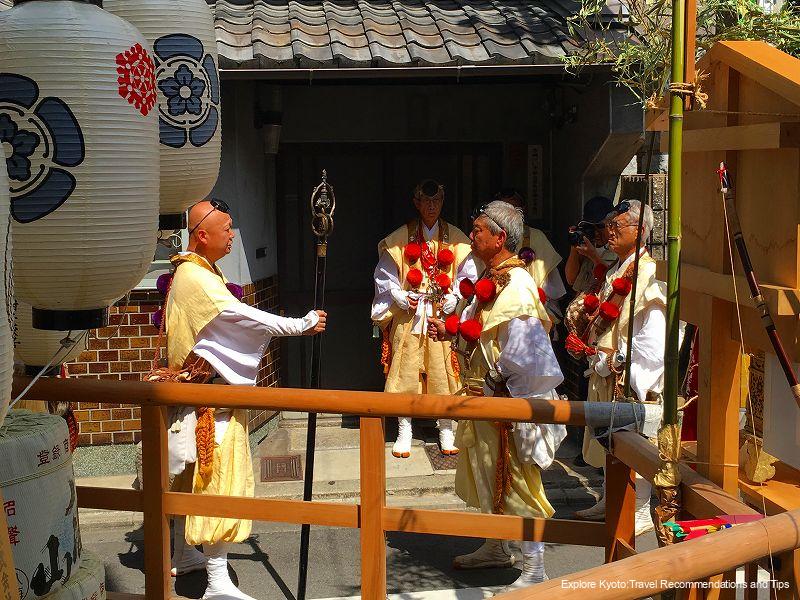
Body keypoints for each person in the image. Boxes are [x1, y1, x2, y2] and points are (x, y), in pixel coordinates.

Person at [165, 199, 326, 600]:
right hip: (209, 399)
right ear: (203, 235)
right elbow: (238, 316)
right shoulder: (195, 276)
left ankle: (185, 554)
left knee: (191, 480)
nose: (232, 235)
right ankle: (216, 581)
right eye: (227, 228)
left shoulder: (197, 271)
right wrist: (298, 325)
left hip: (199, 393)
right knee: (218, 482)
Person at [427, 200, 566, 590]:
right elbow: (484, 333)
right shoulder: (493, 277)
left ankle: (535, 568)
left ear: (500, 237)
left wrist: (494, 382)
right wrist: (451, 330)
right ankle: (495, 545)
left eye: (477, 231)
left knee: (517, 479)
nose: (471, 236)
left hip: (505, 400)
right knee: (488, 473)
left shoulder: (517, 285)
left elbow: (524, 354)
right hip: (484, 396)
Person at [568, 199, 666, 536]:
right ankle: (610, 496)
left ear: (639, 232)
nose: (608, 233)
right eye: (608, 227)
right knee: (609, 439)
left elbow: (653, 343)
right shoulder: (615, 270)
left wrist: (615, 360)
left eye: (616, 227)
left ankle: (640, 508)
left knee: (634, 440)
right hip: (605, 370)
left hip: (628, 374)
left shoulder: (649, 273)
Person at [371, 179, 477, 458]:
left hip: (441, 315)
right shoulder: (400, 237)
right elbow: (384, 275)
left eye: (437, 201)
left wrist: (457, 296)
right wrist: (398, 295)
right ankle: (404, 428)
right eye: (426, 201)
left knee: (444, 370)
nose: (432, 206)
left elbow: (468, 275)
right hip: (410, 313)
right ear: (416, 203)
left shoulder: (457, 238)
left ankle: (446, 427)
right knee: (405, 369)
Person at [496, 188, 566, 320]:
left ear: (523, 210)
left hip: (530, 311)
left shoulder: (537, 237)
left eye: (514, 209)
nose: (508, 215)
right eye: (503, 210)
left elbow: (553, 290)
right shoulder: (489, 237)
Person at [564, 195, 617, 293]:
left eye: (599, 226)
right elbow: (571, 280)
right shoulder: (587, 244)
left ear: (611, 222)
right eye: (590, 226)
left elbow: (612, 281)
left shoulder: (618, 247)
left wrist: (593, 256)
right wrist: (574, 246)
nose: (596, 232)